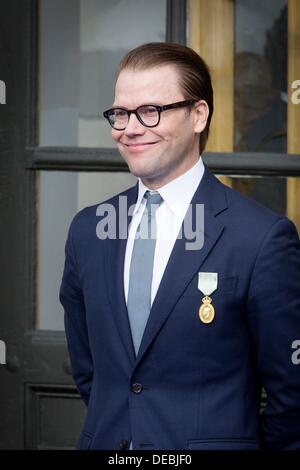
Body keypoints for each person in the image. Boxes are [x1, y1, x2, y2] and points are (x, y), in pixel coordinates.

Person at [59, 42, 300, 450]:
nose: (130, 128)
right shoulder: (88, 231)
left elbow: (291, 396)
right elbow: (91, 372)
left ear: (198, 115)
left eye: (151, 111)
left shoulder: (260, 239)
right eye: (120, 113)